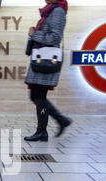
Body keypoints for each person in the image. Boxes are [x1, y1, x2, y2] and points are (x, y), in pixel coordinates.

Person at [24, 0, 72, 142]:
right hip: (41, 59)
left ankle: (43, 130)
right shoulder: (50, 10)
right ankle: (60, 120)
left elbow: (55, 37)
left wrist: (34, 35)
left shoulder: (58, 11)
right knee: (36, 96)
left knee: (39, 97)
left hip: (46, 60)